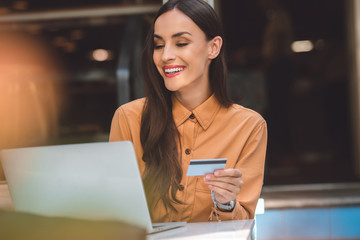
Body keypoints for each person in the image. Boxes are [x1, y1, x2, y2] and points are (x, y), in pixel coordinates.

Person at [109, 0, 267, 223]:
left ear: (213, 47)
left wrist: (225, 202)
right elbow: (116, 216)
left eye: (181, 43)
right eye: (158, 45)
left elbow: (242, 225)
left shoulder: (248, 126)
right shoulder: (129, 118)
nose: (165, 56)